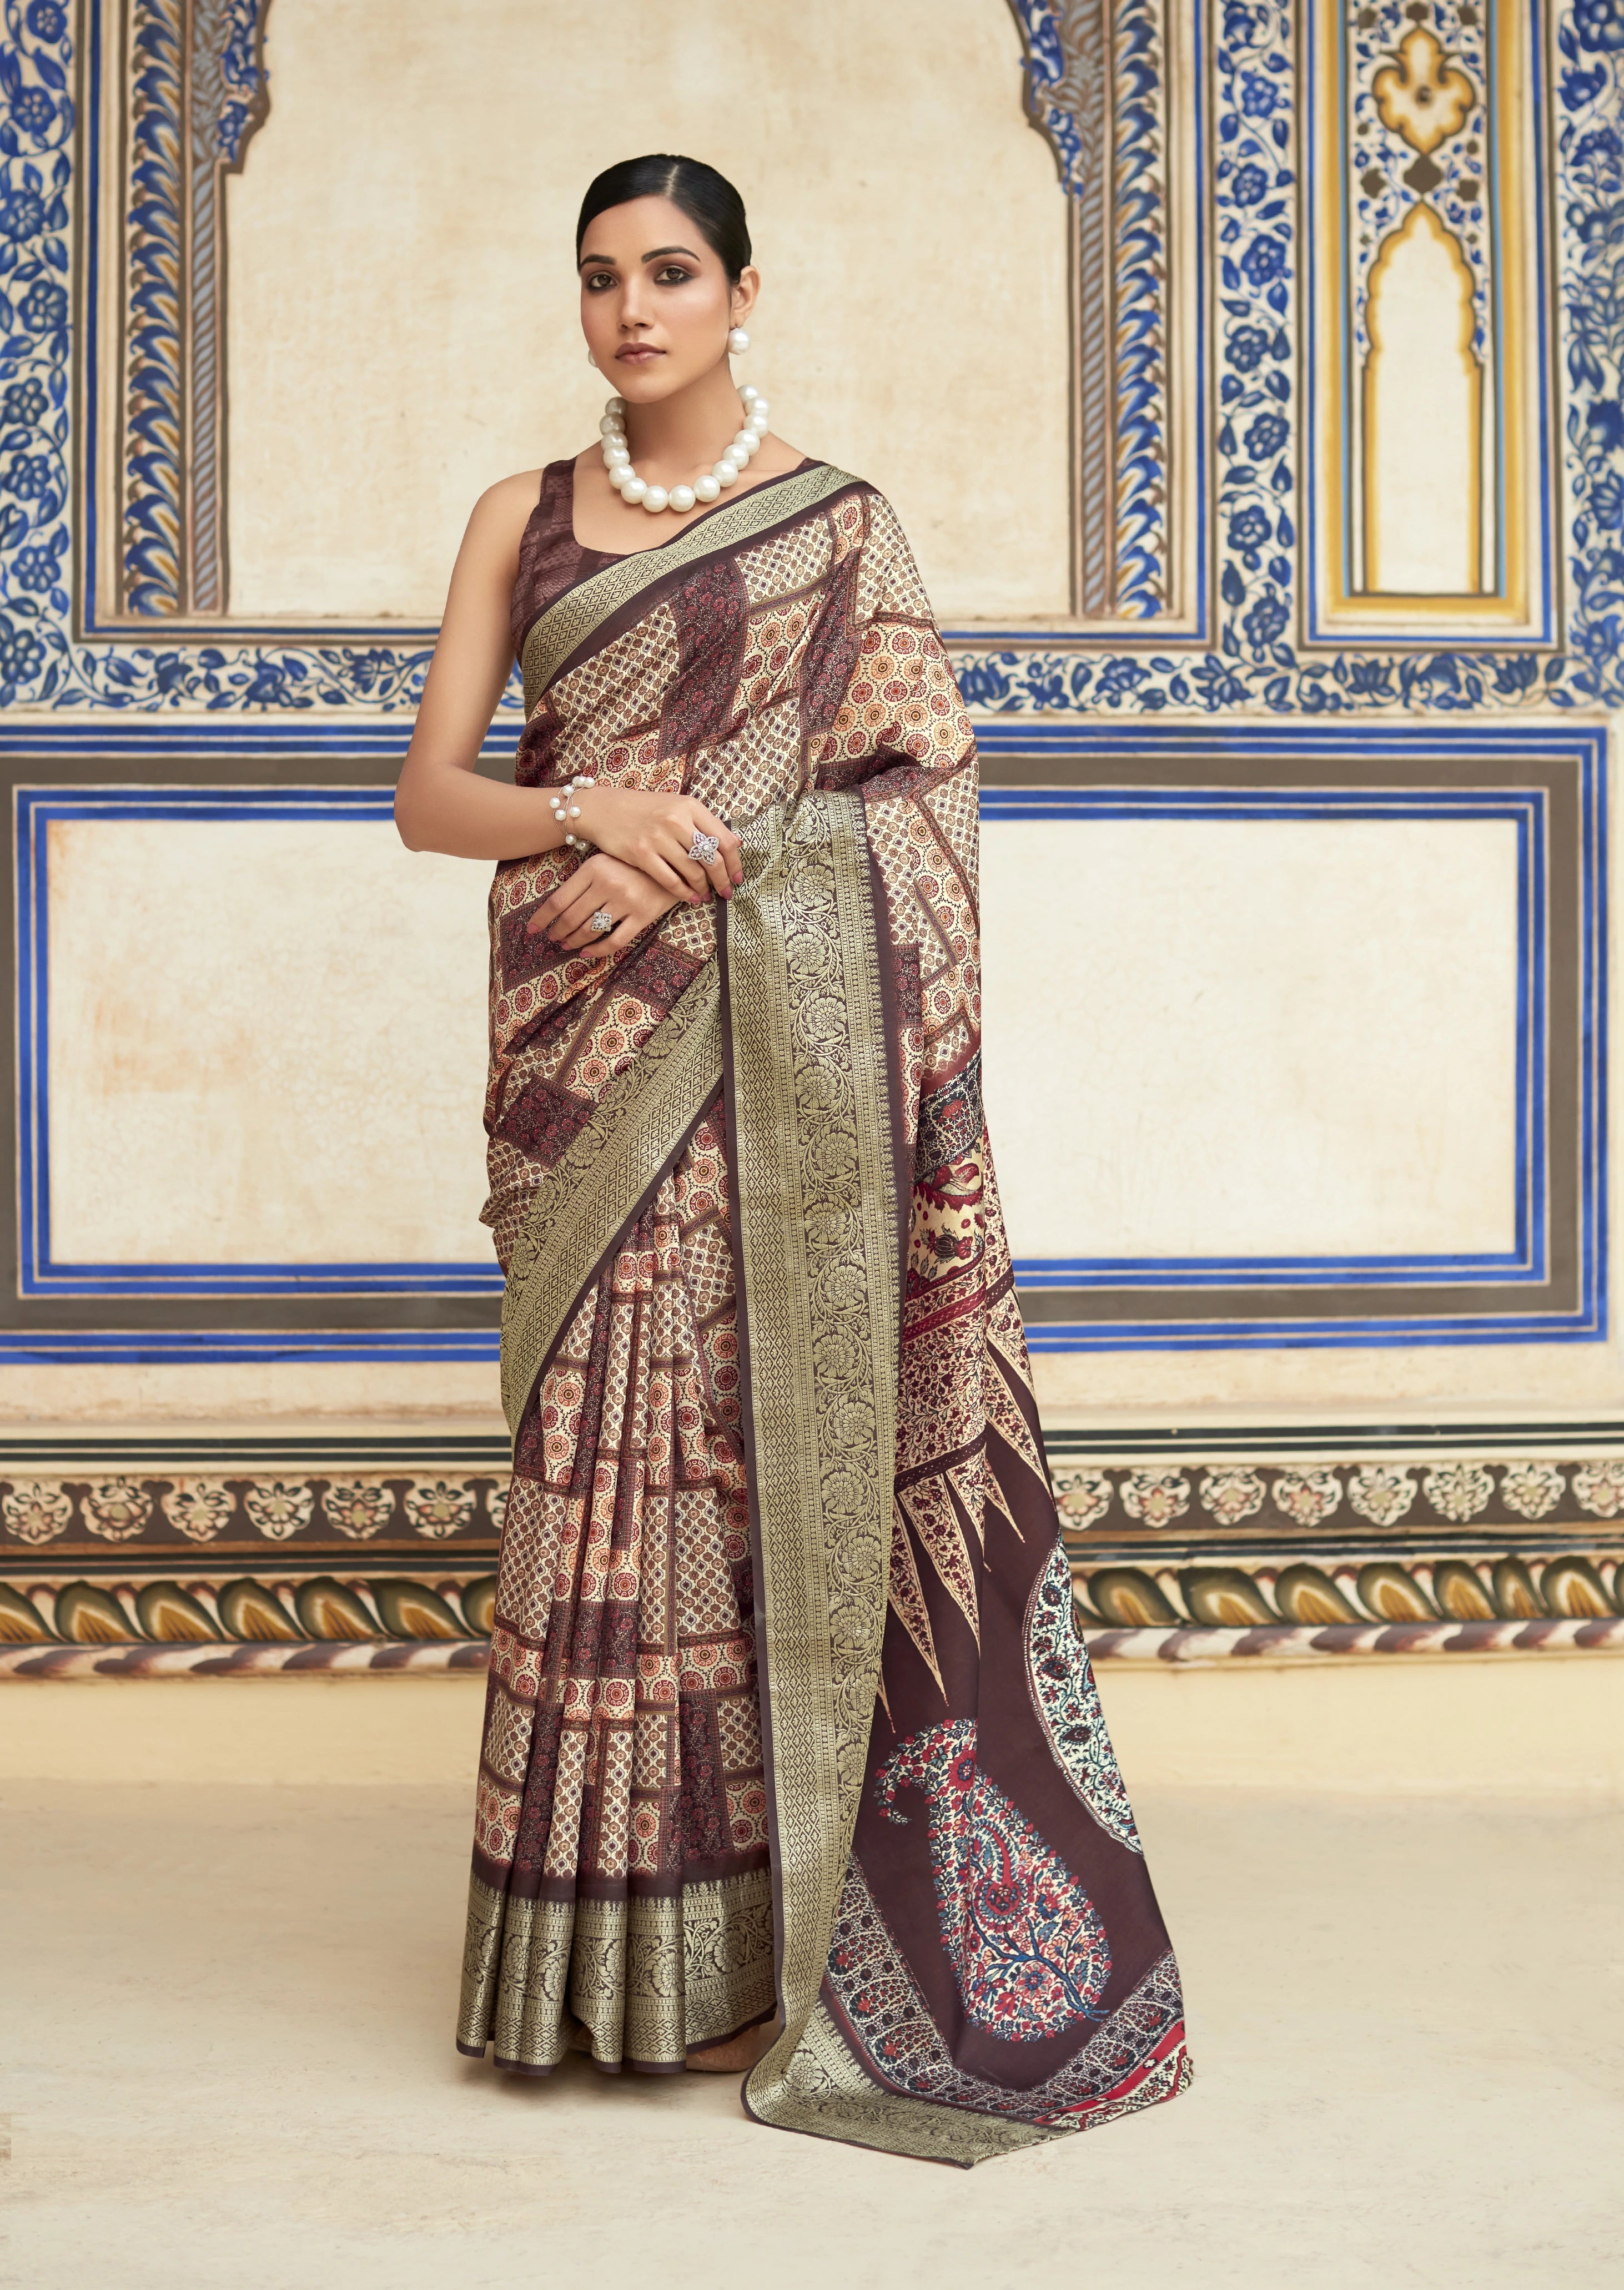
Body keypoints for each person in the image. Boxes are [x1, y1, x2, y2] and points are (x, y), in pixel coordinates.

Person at [395, 152, 1190, 2166]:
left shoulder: (841, 525)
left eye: (670, 273)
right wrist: (588, 817)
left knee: (749, 1483)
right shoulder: (523, 514)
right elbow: (430, 801)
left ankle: (778, 1947)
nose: (630, 309)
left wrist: (721, 852)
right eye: (598, 278)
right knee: (598, 1484)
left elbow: (916, 794)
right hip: (593, 1083)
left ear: (748, 292)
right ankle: (587, 1969)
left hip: (780, 1088)